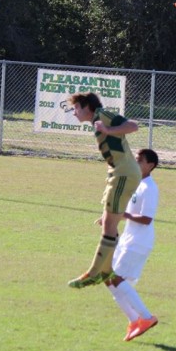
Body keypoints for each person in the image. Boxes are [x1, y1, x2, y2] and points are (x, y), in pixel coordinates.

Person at [66, 92, 142, 288]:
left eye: (75, 108)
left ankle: (92, 273)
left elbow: (133, 126)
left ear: (86, 106)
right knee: (108, 225)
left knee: (109, 226)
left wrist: (108, 129)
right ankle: (106, 270)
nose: (73, 113)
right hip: (119, 173)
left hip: (123, 174)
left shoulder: (102, 116)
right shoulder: (97, 119)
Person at [101, 149, 160, 341]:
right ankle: (134, 321)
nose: (135, 164)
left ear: (150, 165)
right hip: (128, 239)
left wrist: (121, 216)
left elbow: (146, 219)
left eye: (139, 161)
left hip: (139, 242)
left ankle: (147, 317)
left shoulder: (150, 188)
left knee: (114, 278)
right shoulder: (136, 184)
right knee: (107, 278)